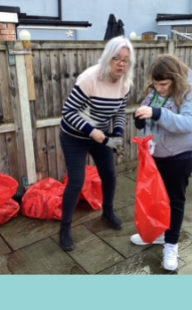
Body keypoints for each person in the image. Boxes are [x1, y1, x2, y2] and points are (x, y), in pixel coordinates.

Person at [56, 36, 134, 251]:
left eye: (125, 60)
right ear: (108, 57)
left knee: (109, 174)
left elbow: (119, 111)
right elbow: (68, 112)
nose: (121, 64)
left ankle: (108, 212)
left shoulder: (125, 82)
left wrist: (116, 135)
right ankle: (64, 229)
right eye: (116, 58)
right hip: (74, 136)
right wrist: (92, 131)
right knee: (76, 181)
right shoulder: (89, 78)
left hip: (101, 134)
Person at [130, 54, 192, 272]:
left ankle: (171, 244)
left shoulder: (191, 92)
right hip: (155, 156)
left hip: (181, 155)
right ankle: (157, 234)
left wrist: (157, 113)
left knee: (174, 200)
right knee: (154, 197)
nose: (159, 88)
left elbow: (189, 123)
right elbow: (150, 116)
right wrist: (140, 120)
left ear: (176, 78)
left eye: (164, 84)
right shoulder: (154, 91)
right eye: (155, 83)